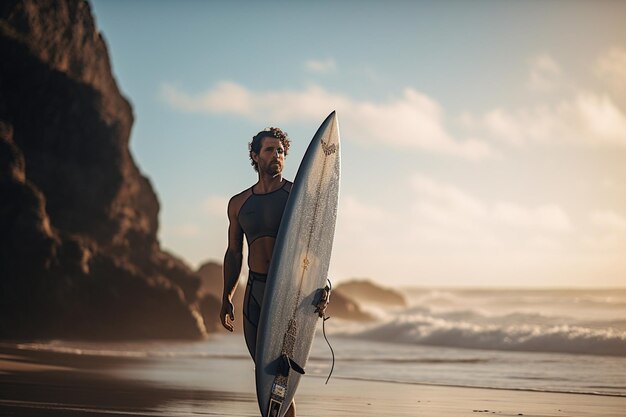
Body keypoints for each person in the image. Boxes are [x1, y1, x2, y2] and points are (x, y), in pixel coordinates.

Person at [220, 127, 327, 417]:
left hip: (288, 293)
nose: (277, 156)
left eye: (281, 151)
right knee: (265, 374)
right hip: (255, 293)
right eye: (270, 150)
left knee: (282, 375)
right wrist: (226, 296)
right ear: (255, 156)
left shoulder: (297, 197)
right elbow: (233, 253)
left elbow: (315, 248)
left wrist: (320, 289)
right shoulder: (239, 204)